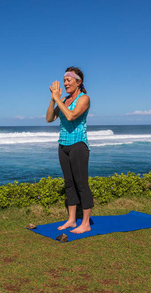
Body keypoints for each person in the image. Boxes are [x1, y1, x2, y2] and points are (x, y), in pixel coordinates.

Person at [46, 66, 94, 234]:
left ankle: (86, 223)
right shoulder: (63, 100)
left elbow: (71, 115)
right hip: (63, 145)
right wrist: (53, 100)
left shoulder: (84, 98)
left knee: (81, 183)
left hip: (78, 145)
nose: (65, 83)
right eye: (64, 80)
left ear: (78, 82)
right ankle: (72, 220)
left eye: (68, 80)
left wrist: (58, 99)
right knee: (69, 183)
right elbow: (49, 118)